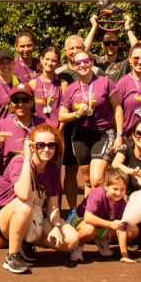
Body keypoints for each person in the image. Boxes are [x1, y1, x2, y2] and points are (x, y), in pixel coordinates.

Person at [0, 125, 80, 274]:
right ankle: (12, 256)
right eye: (40, 145)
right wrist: (27, 159)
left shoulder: (53, 169)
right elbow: (23, 195)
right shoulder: (19, 162)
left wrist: (56, 227)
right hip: (8, 217)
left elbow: (52, 206)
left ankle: (25, 242)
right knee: (25, 203)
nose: (46, 149)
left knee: (71, 240)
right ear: (31, 146)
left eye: (51, 145)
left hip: (35, 215)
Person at [59, 51, 122, 189]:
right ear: (74, 66)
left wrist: (119, 135)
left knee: (97, 179)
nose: (82, 65)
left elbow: (117, 109)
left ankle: (108, 200)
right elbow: (62, 116)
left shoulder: (105, 82)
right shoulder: (71, 89)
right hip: (81, 136)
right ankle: (94, 201)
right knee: (88, 180)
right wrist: (77, 114)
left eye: (86, 61)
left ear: (92, 62)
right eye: (78, 62)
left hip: (103, 133)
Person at [55, 35, 103, 211]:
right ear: (65, 51)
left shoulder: (96, 71)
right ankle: (73, 210)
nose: (75, 51)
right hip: (68, 130)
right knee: (69, 171)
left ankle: (91, 210)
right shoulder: (59, 73)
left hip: (93, 130)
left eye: (79, 48)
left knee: (91, 174)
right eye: (71, 48)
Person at [70, 168, 138, 263]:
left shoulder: (122, 201)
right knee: (89, 229)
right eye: (115, 189)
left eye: (122, 189)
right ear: (105, 186)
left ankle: (102, 239)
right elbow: (88, 218)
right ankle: (77, 247)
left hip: (103, 223)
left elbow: (121, 229)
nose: (118, 193)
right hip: (81, 220)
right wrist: (111, 225)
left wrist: (125, 255)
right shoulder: (97, 194)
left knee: (133, 230)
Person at [0, 84, 47, 174]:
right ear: (11, 103)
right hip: (9, 178)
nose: (20, 104)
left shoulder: (43, 125)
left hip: (35, 177)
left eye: (25, 100)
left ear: (32, 102)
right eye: (15, 100)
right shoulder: (2, 125)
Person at [113, 43, 141, 136]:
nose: (140, 61)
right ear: (130, 59)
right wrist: (120, 135)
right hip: (131, 136)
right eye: (136, 58)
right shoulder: (122, 83)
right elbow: (116, 111)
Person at [84, 14, 139, 83]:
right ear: (102, 45)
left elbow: (138, 50)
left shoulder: (124, 62)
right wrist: (94, 26)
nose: (110, 46)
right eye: (107, 43)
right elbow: (83, 51)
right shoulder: (96, 60)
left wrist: (127, 27)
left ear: (119, 44)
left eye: (114, 43)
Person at [29, 46, 64, 126]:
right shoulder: (33, 83)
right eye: (47, 59)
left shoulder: (62, 84)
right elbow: (28, 109)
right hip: (36, 129)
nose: (49, 63)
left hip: (55, 129)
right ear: (41, 59)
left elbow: (65, 110)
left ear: (58, 63)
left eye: (53, 60)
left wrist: (59, 130)